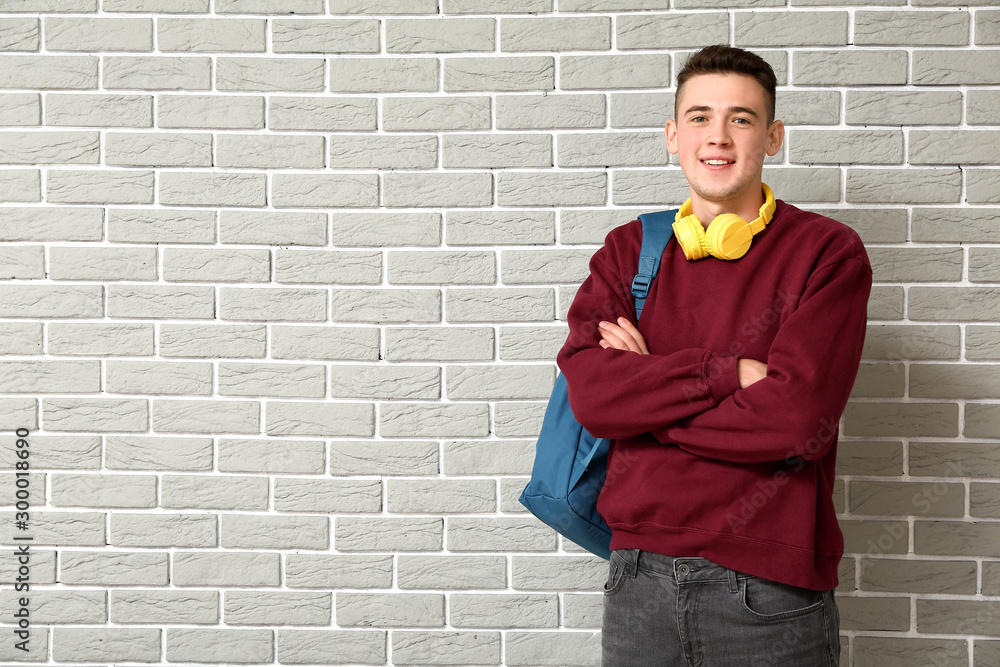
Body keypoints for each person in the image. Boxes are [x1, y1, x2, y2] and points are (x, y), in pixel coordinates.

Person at [557, 45, 871, 666]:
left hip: (769, 591)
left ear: (773, 137)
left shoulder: (826, 252)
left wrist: (644, 399)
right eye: (699, 117)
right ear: (673, 135)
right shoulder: (630, 251)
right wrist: (727, 375)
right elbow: (593, 397)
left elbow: (795, 422)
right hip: (637, 581)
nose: (718, 136)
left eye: (742, 118)